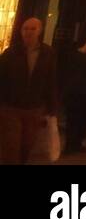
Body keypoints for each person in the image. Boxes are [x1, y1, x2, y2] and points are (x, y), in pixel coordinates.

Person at [0, 17, 59, 164]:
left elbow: (51, 81)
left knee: (27, 144)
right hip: (11, 107)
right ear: (21, 31)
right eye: (26, 29)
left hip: (34, 107)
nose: (29, 32)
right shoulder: (11, 52)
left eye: (33, 29)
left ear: (40, 31)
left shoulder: (47, 53)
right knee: (11, 144)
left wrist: (52, 108)